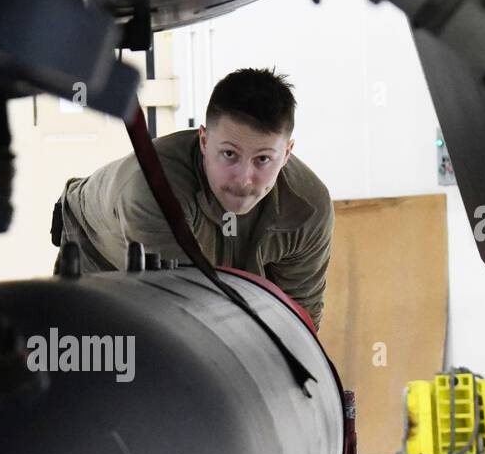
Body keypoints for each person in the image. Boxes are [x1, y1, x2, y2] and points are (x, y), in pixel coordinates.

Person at [51, 67, 334, 328]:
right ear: (204, 140)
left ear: (287, 153)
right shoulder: (152, 192)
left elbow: (300, 318)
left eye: (263, 159)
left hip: (211, 265)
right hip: (99, 248)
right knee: (99, 356)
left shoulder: (308, 208)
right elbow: (179, 315)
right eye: (229, 154)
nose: (244, 178)